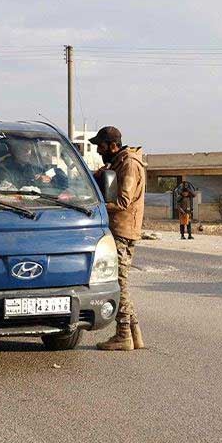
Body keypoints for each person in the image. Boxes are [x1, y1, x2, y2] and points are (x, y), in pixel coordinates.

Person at [91, 126, 146, 351]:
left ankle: (123, 335)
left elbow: (123, 201)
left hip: (123, 231)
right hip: (120, 229)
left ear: (113, 145)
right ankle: (135, 334)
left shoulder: (129, 164)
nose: (99, 150)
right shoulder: (119, 163)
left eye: (101, 146)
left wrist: (95, 206)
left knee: (119, 284)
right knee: (120, 282)